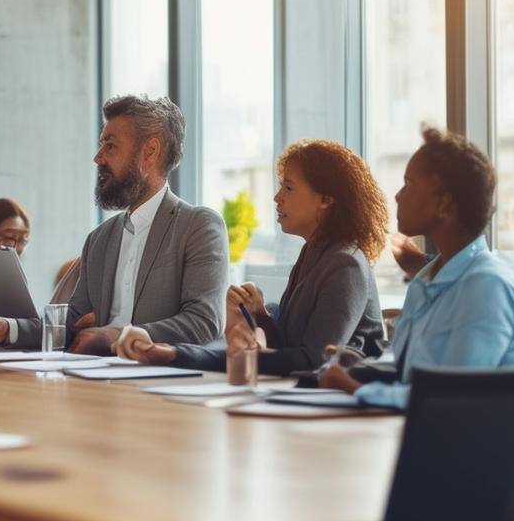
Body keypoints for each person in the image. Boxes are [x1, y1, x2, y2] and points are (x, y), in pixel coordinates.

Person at [0, 95, 226, 354]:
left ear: (150, 151)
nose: (98, 158)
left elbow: (203, 322)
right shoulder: (100, 238)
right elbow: (72, 320)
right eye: (101, 145)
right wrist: (10, 328)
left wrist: (117, 335)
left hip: (158, 380)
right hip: (95, 375)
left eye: (110, 146)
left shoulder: (198, 226)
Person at [119, 139, 388, 374]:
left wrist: (181, 354)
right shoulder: (314, 253)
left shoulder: (345, 264)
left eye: (289, 188)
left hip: (345, 411)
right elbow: (288, 348)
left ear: (326, 200)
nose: (276, 198)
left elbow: (314, 359)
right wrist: (260, 315)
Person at [318, 126, 514, 408]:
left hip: (482, 444)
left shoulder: (487, 285)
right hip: (432, 435)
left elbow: (453, 395)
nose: (398, 196)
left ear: (444, 204)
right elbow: (415, 376)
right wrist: (363, 367)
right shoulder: (427, 278)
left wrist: (354, 388)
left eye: (409, 184)